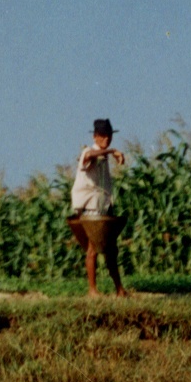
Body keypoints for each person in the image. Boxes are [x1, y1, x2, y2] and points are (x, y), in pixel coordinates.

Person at [69, 118, 127, 296]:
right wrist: (112, 151)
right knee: (92, 249)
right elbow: (88, 157)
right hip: (90, 207)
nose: (106, 139)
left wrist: (110, 153)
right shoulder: (90, 151)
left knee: (111, 249)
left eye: (108, 136)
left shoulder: (103, 154)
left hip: (103, 205)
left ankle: (119, 289)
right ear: (95, 137)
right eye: (102, 136)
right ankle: (92, 290)